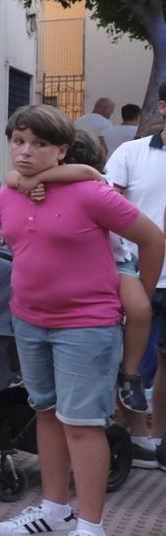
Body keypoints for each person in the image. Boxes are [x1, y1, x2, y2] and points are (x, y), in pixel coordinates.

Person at [0, 104, 163, 536]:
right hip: (29, 319)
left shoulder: (91, 194)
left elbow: (151, 238)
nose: (26, 152)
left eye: (39, 144)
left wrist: (138, 298)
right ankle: (55, 511)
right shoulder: (6, 196)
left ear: (61, 150)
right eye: (19, 141)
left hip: (86, 327)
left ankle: (91, 529)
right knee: (45, 412)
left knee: (83, 424)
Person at [91, 85, 166, 461]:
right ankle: (137, 436)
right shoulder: (132, 152)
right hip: (134, 271)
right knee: (128, 362)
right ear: (164, 107)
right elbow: (105, 202)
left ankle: (156, 439)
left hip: (147, 275)